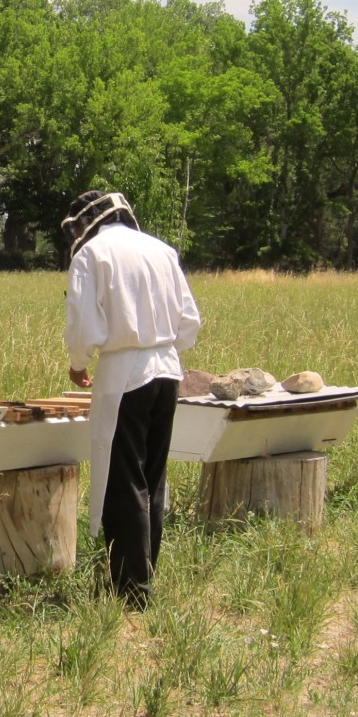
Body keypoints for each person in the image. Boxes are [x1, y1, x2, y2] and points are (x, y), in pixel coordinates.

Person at [62, 191, 201, 607]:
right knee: (153, 477)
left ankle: (131, 589)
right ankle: (144, 573)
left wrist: (78, 362)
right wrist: (162, 346)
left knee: (125, 480)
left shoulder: (92, 254)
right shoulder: (162, 250)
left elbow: (84, 324)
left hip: (125, 375)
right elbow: (189, 320)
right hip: (168, 372)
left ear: (87, 224)